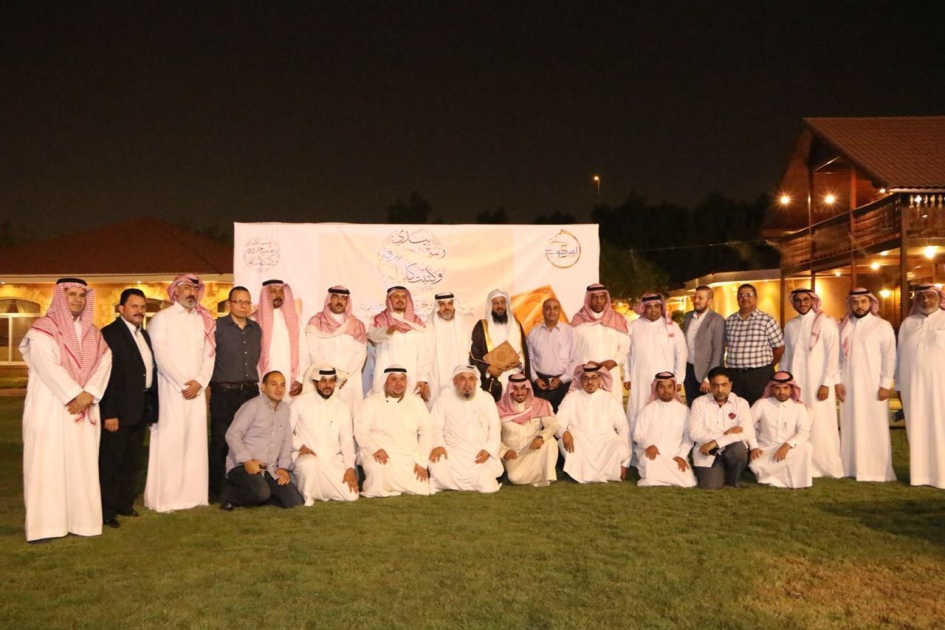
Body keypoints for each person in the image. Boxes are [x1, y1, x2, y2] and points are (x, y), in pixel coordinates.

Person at [20, 278, 112, 542]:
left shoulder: (93, 334)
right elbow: (46, 366)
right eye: (71, 294)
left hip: (83, 408)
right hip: (50, 407)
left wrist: (89, 393)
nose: (77, 300)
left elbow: (105, 362)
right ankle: (46, 528)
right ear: (60, 297)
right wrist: (75, 394)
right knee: (47, 465)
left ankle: (83, 523)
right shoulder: (43, 329)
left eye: (81, 296)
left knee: (81, 466)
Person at [144, 274, 216, 513]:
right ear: (175, 291)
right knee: (171, 441)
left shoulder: (203, 320)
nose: (191, 293)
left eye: (194, 289)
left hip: (196, 391)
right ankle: (166, 498)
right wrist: (183, 384)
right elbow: (159, 355)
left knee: (195, 443)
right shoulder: (162, 319)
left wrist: (200, 382)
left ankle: (194, 496)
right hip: (171, 391)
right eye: (186, 288)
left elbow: (210, 354)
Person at [99, 288, 159, 528]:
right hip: (118, 411)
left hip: (140, 408)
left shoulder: (143, 334)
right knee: (112, 462)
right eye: (134, 306)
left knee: (131, 461)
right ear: (121, 308)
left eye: (143, 307)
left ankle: (124, 504)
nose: (139, 311)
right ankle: (107, 511)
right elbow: (108, 377)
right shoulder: (110, 334)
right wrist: (110, 413)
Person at [836, 288, 897, 482]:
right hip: (848, 385)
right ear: (850, 304)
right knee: (850, 425)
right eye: (855, 302)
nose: (859, 306)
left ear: (871, 303)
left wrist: (885, 384)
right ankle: (850, 467)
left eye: (863, 301)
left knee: (874, 426)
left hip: (873, 385)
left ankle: (876, 470)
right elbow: (837, 358)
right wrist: (837, 381)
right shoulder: (843, 326)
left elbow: (889, 356)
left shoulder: (882, 326)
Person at [781, 288, 843, 478]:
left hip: (819, 384)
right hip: (797, 383)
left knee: (821, 423)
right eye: (798, 300)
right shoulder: (791, 326)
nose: (802, 303)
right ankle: (800, 463)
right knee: (798, 422)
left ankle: (825, 466)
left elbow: (833, 355)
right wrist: (784, 382)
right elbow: (787, 356)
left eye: (806, 299)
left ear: (813, 301)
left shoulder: (826, 323)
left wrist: (826, 383)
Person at [220, 371, 304, 510]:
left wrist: (283, 468)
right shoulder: (252, 406)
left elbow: (286, 440)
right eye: (274, 384)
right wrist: (247, 461)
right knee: (261, 493)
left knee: (295, 502)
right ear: (263, 387)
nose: (279, 389)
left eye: (282, 385)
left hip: (269, 468)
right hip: (243, 466)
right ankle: (229, 495)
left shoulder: (284, 409)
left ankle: (260, 495)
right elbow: (232, 434)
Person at [208, 286, 261, 501]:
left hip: (250, 393)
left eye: (247, 302)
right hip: (224, 393)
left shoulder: (256, 329)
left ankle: (247, 485)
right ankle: (216, 490)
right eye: (239, 301)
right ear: (230, 304)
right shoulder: (217, 327)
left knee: (248, 441)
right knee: (221, 442)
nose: (243, 306)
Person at [354, 366, 433, 497]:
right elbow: (360, 431)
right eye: (393, 379)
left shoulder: (417, 403)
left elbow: (427, 433)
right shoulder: (370, 402)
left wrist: (421, 461)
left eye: (402, 379)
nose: (398, 383)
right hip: (379, 452)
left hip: (408, 454)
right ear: (385, 381)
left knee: (421, 487)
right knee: (378, 471)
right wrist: (375, 449)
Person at [897, 284, 945, 489]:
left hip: (940, 387)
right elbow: (900, 356)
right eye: (921, 297)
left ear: (939, 298)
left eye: (930, 296)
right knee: (917, 427)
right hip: (913, 387)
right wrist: (899, 386)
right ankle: (920, 475)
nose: (925, 301)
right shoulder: (908, 323)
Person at [428, 365, 503, 493]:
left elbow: (495, 427)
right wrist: (439, 445)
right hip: (453, 454)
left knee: (487, 487)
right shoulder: (444, 399)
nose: (467, 384)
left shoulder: (486, 399)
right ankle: (453, 482)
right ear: (454, 381)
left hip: (479, 455)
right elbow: (435, 427)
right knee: (438, 466)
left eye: (471, 379)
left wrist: (488, 450)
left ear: (476, 381)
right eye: (462, 379)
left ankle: (456, 484)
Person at [290, 366, 360, 503]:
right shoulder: (299, 402)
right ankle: (307, 495)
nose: (327, 385)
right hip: (306, 458)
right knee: (309, 464)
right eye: (323, 381)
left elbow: (347, 442)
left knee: (351, 496)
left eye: (331, 381)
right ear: (315, 382)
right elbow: (285, 432)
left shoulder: (342, 407)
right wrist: (300, 446)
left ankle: (310, 488)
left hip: (331, 461)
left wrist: (350, 468)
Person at [624, 293, 687, 443]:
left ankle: (663, 445)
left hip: (664, 382)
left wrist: (678, 379)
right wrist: (627, 376)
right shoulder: (634, 326)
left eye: (656, 306)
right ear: (643, 308)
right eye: (649, 307)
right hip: (640, 379)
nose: (653, 310)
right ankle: (636, 449)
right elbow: (627, 353)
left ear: (661, 307)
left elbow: (682, 353)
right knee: (637, 410)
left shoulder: (672, 327)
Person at [556, 363, 631, 483]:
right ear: (580, 380)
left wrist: (625, 464)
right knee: (563, 443)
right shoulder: (571, 398)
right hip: (580, 440)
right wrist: (564, 432)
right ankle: (587, 473)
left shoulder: (610, 399)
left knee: (621, 449)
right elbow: (558, 421)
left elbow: (623, 429)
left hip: (605, 442)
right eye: (586, 378)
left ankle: (607, 471)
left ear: (600, 379)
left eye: (593, 378)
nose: (590, 382)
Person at [305, 286, 368, 415]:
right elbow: (313, 352)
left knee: (350, 416)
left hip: (349, 381)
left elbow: (361, 353)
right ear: (329, 299)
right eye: (336, 297)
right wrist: (332, 376)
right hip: (325, 380)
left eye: (343, 298)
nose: (339, 301)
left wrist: (343, 375)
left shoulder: (356, 324)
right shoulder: (316, 322)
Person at [688, 367, 752, 489]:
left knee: (738, 450)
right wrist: (725, 433)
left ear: (731, 385)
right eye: (715, 385)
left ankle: (732, 481)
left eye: (724, 385)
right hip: (707, 451)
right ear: (710, 385)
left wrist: (716, 442)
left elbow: (746, 433)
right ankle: (718, 473)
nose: (720, 390)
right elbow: (694, 433)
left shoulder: (741, 403)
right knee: (710, 487)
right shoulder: (699, 403)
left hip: (729, 448)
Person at [748, 371, 814, 489]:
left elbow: (804, 432)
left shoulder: (799, 407)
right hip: (767, 449)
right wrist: (754, 447)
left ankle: (795, 481)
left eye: (785, 388)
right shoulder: (761, 404)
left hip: (790, 450)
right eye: (777, 388)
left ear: (792, 389)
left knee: (807, 447)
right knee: (755, 463)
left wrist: (787, 445)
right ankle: (775, 477)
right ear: (772, 389)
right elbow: (747, 426)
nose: (782, 392)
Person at [632, 372, 697, 488]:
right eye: (661, 387)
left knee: (689, 482)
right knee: (651, 462)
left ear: (674, 388)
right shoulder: (648, 410)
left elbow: (688, 438)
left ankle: (654, 479)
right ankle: (666, 478)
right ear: (656, 389)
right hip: (652, 454)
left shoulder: (684, 411)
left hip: (675, 454)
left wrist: (681, 456)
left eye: (669, 386)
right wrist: (648, 445)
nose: (666, 391)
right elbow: (638, 434)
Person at [724, 283, 785, 405]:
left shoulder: (767, 320)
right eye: (741, 295)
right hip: (734, 375)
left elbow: (779, 347)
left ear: (756, 298)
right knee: (735, 408)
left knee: (759, 408)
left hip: (759, 376)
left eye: (749, 295)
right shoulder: (730, 321)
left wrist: (768, 366)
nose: (745, 298)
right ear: (737, 299)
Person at [571, 284, 630, 407]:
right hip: (587, 376)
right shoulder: (578, 321)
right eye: (595, 297)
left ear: (606, 299)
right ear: (588, 299)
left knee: (612, 408)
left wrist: (614, 361)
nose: (598, 301)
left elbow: (625, 347)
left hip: (611, 372)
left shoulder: (617, 319)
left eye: (602, 297)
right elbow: (573, 350)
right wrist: (587, 364)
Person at [496, 373, 559, 487]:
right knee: (515, 478)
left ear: (528, 389)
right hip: (514, 455)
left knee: (550, 442)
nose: (519, 392)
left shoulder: (540, 404)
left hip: (533, 448)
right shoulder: (498, 408)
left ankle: (545, 477)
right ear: (510, 390)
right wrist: (503, 452)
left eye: (523, 388)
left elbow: (553, 425)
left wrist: (541, 437)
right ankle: (536, 475)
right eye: (515, 389)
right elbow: (492, 435)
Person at [368, 286, 430, 399]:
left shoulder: (417, 323)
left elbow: (423, 354)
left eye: (403, 297)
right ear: (389, 300)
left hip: (411, 378)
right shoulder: (380, 320)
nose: (400, 300)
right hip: (384, 375)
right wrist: (387, 331)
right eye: (396, 296)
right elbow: (372, 335)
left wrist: (422, 378)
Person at [470, 289, 530, 401]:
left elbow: (524, 352)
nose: (500, 306)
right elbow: (474, 356)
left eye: (503, 302)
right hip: (493, 381)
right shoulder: (481, 327)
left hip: (515, 380)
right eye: (496, 303)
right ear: (490, 306)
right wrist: (488, 368)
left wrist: (520, 362)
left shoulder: (516, 325)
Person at [256, 279, 308, 399]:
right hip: (264, 380)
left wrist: (300, 379)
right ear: (265, 294)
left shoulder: (293, 320)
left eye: (281, 291)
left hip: (290, 380)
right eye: (273, 291)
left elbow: (303, 350)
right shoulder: (255, 320)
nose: (278, 295)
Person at [527, 297, 581, 411]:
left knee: (562, 417)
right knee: (541, 417)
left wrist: (561, 379)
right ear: (542, 311)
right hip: (540, 385)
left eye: (555, 308)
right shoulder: (533, 332)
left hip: (564, 384)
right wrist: (535, 379)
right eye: (548, 308)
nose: (551, 311)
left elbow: (576, 359)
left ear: (559, 311)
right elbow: (529, 360)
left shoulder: (570, 332)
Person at [422, 292, 472, 405]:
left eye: (450, 303)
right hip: (436, 378)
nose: (447, 307)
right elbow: (423, 357)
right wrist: (424, 381)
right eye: (442, 304)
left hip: (460, 376)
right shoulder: (427, 328)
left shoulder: (464, 326)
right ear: (437, 306)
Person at [681, 285, 725, 407]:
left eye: (700, 298)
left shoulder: (717, 320)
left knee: (707, 408)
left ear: (710, 301)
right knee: (691, 406)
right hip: (689, 372)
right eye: (695, 297)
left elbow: (718, 352)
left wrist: (708, 378)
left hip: (705, 372)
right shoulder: (687, 317)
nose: (696, 301)